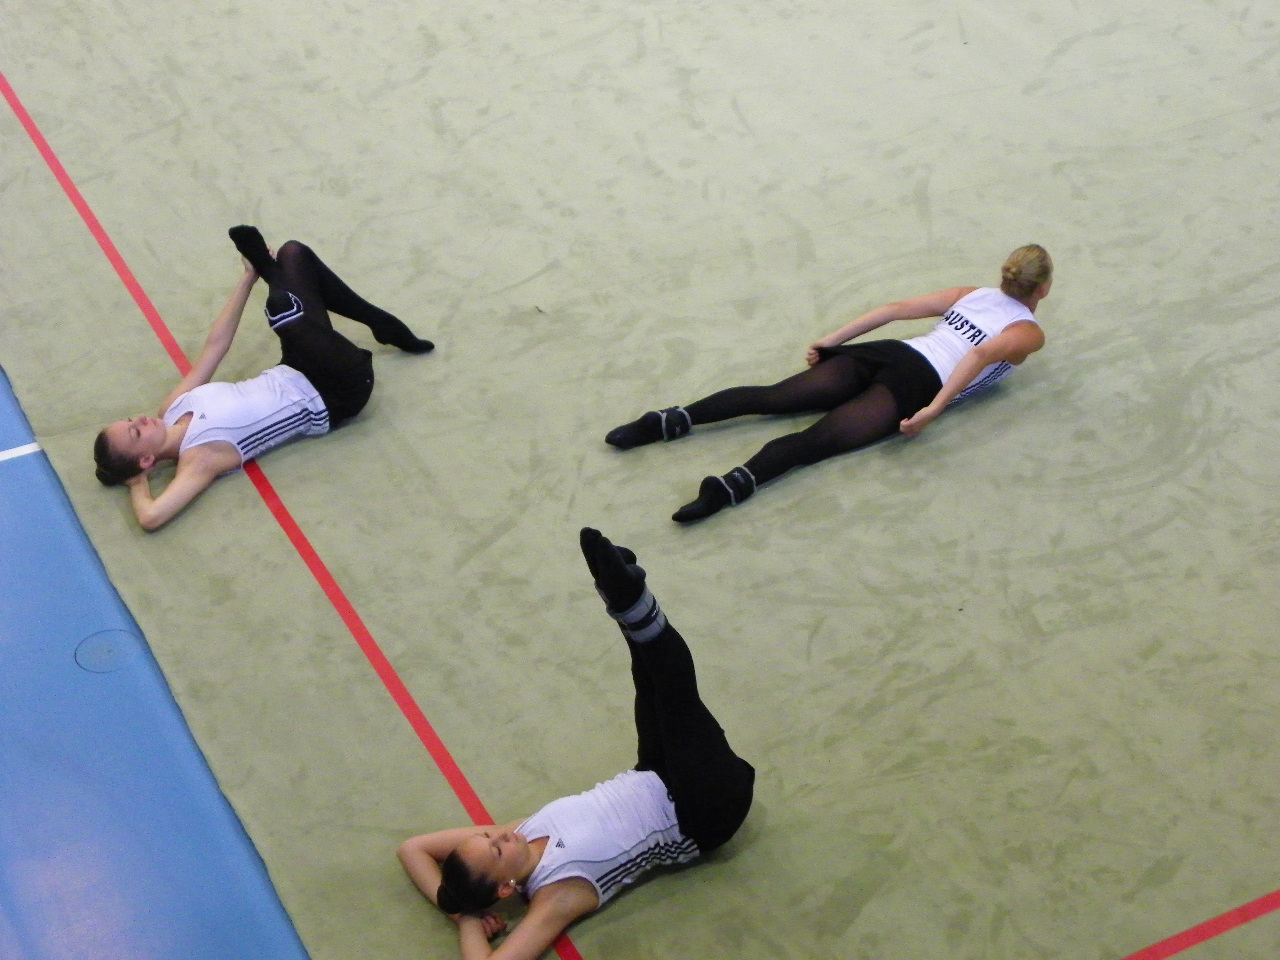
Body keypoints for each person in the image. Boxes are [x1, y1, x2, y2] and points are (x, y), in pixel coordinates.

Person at [398, 528, 755, 960]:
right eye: (496, 847)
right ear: (506, 888)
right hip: (703, 812)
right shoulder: (558, 893)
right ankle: (630, 599)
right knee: (676, 696)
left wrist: (456, 908)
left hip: (655, 772)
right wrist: (470, 921)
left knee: (648, 682)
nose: (501, 833)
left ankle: (624, 599)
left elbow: (412, 848)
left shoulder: (520, 834)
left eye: (489, 834)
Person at [605, 244, 1053, 522]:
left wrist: (834, 339)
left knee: (772, 397)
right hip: (918, 382)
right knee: (812, 443)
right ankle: (728, 488)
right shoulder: (1028, 332)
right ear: (1043, 289)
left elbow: (896, 309)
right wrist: (933, 409)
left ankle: (664, 421)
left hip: (888, 353)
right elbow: (978, 355)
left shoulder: (971, 294)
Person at [93, 226, 433, 530]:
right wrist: (137, 483)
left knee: (294, 253)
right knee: (285, 311)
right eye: (136, 432)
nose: (140, 419)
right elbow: (151, 517)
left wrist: (247, 278)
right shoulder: (200, 458)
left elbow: (215, 347)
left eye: (130, 420)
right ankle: (284, 285)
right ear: (146, 460)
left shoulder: (171, 408)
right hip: (336, 393)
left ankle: (376, 322)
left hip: (296, 364)